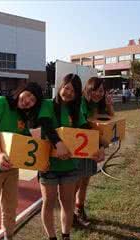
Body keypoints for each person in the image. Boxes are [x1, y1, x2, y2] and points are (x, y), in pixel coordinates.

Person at [0, 82, 43, 240]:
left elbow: (28, 141)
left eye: (33, 101)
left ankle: (9, 236)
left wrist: (43, 159)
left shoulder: (22, 117)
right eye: (28, 95)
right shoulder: (1, 102)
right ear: (22, 90)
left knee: (10, 209)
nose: (28, 101)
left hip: (11, 169)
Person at [37, 73, 101, 240]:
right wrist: (58, 143)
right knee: (48, 203)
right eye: (66, 88)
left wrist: (99, 146)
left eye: (73, 90)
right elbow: (46, 124)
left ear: (77, 93)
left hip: (70, 166)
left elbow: (86, 128)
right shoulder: (47, 104)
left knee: (67, 203)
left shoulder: (75, 110)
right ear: (61, 87)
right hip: (48, 165)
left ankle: (66, 236)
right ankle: (52, 237)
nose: (68, 92)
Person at [73, 77, 110, 227]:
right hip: (79, 146)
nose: (98, 94)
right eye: (94, 90)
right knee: (76, 183)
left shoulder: (99, 105)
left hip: (92, 146)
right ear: (88, 89)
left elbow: (109, 121)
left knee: (85, 181)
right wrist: (101, 145)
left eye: (101, 91)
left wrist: (109, 105)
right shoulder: (81, 102)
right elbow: (84, 125)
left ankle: (79, 209)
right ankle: (71, 215)